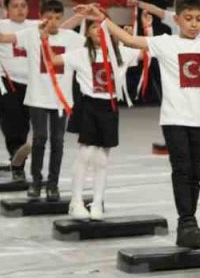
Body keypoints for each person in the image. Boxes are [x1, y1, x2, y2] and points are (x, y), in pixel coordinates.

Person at [96, 0, 200, 249]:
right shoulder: (165, 43)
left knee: (195, 174)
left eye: (199, 19)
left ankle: (189, 222)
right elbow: (130, 40)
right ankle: (186, 221)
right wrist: (103, 20)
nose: (194, 24)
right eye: (188, 19)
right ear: (176, 19)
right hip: (174, 118)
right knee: (182, 169)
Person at [0, 0, 84, 200]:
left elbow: (96, 44)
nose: (54, 22)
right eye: (49, 18)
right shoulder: (30, 34)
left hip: (61, 100)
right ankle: (36, 183)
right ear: (41, 18)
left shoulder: (72, 37)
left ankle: (53, 185)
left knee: (58, 142)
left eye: (58, 18)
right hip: (37, 99)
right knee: (39, 140)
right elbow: (2, 38)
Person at [52, 11, 143, 220]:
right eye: (93, 26)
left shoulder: (121, 52)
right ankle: (75, 202)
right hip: (88, 105)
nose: (99, 30)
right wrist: (51, 33)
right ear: (87, 31)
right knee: (85, 154)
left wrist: (137, 32)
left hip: (109, 106)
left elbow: (146, 53)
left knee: (102, 159)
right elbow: (52, 58)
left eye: (103, 26)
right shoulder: (80, 53)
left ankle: (97, 202)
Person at [0, 0, 39, 181]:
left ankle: (18, 161)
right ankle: (16, 161)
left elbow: (60, 27)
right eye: (15, 6)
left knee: (24, 125)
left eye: (23, 5)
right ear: (7, 9)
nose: (20, 9)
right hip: (5, 80)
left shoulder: (34, 26)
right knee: (11, 121)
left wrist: (81, 17)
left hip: (29, 83)